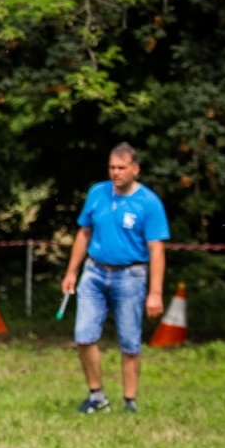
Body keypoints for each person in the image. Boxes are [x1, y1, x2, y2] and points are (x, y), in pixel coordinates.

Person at [61, 143, 170, 413]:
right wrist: (71, 272)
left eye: (121, 168)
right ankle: (97, 396)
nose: (115, 173)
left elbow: (157, 250)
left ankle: (129, 401)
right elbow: (84, 233)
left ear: (136, 169)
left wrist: (155, 293)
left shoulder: (149, 203)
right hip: (94, 271)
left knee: (130, 341)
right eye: (112, 167)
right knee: (84, 335)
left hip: (131, 275)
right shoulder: (97, 193)